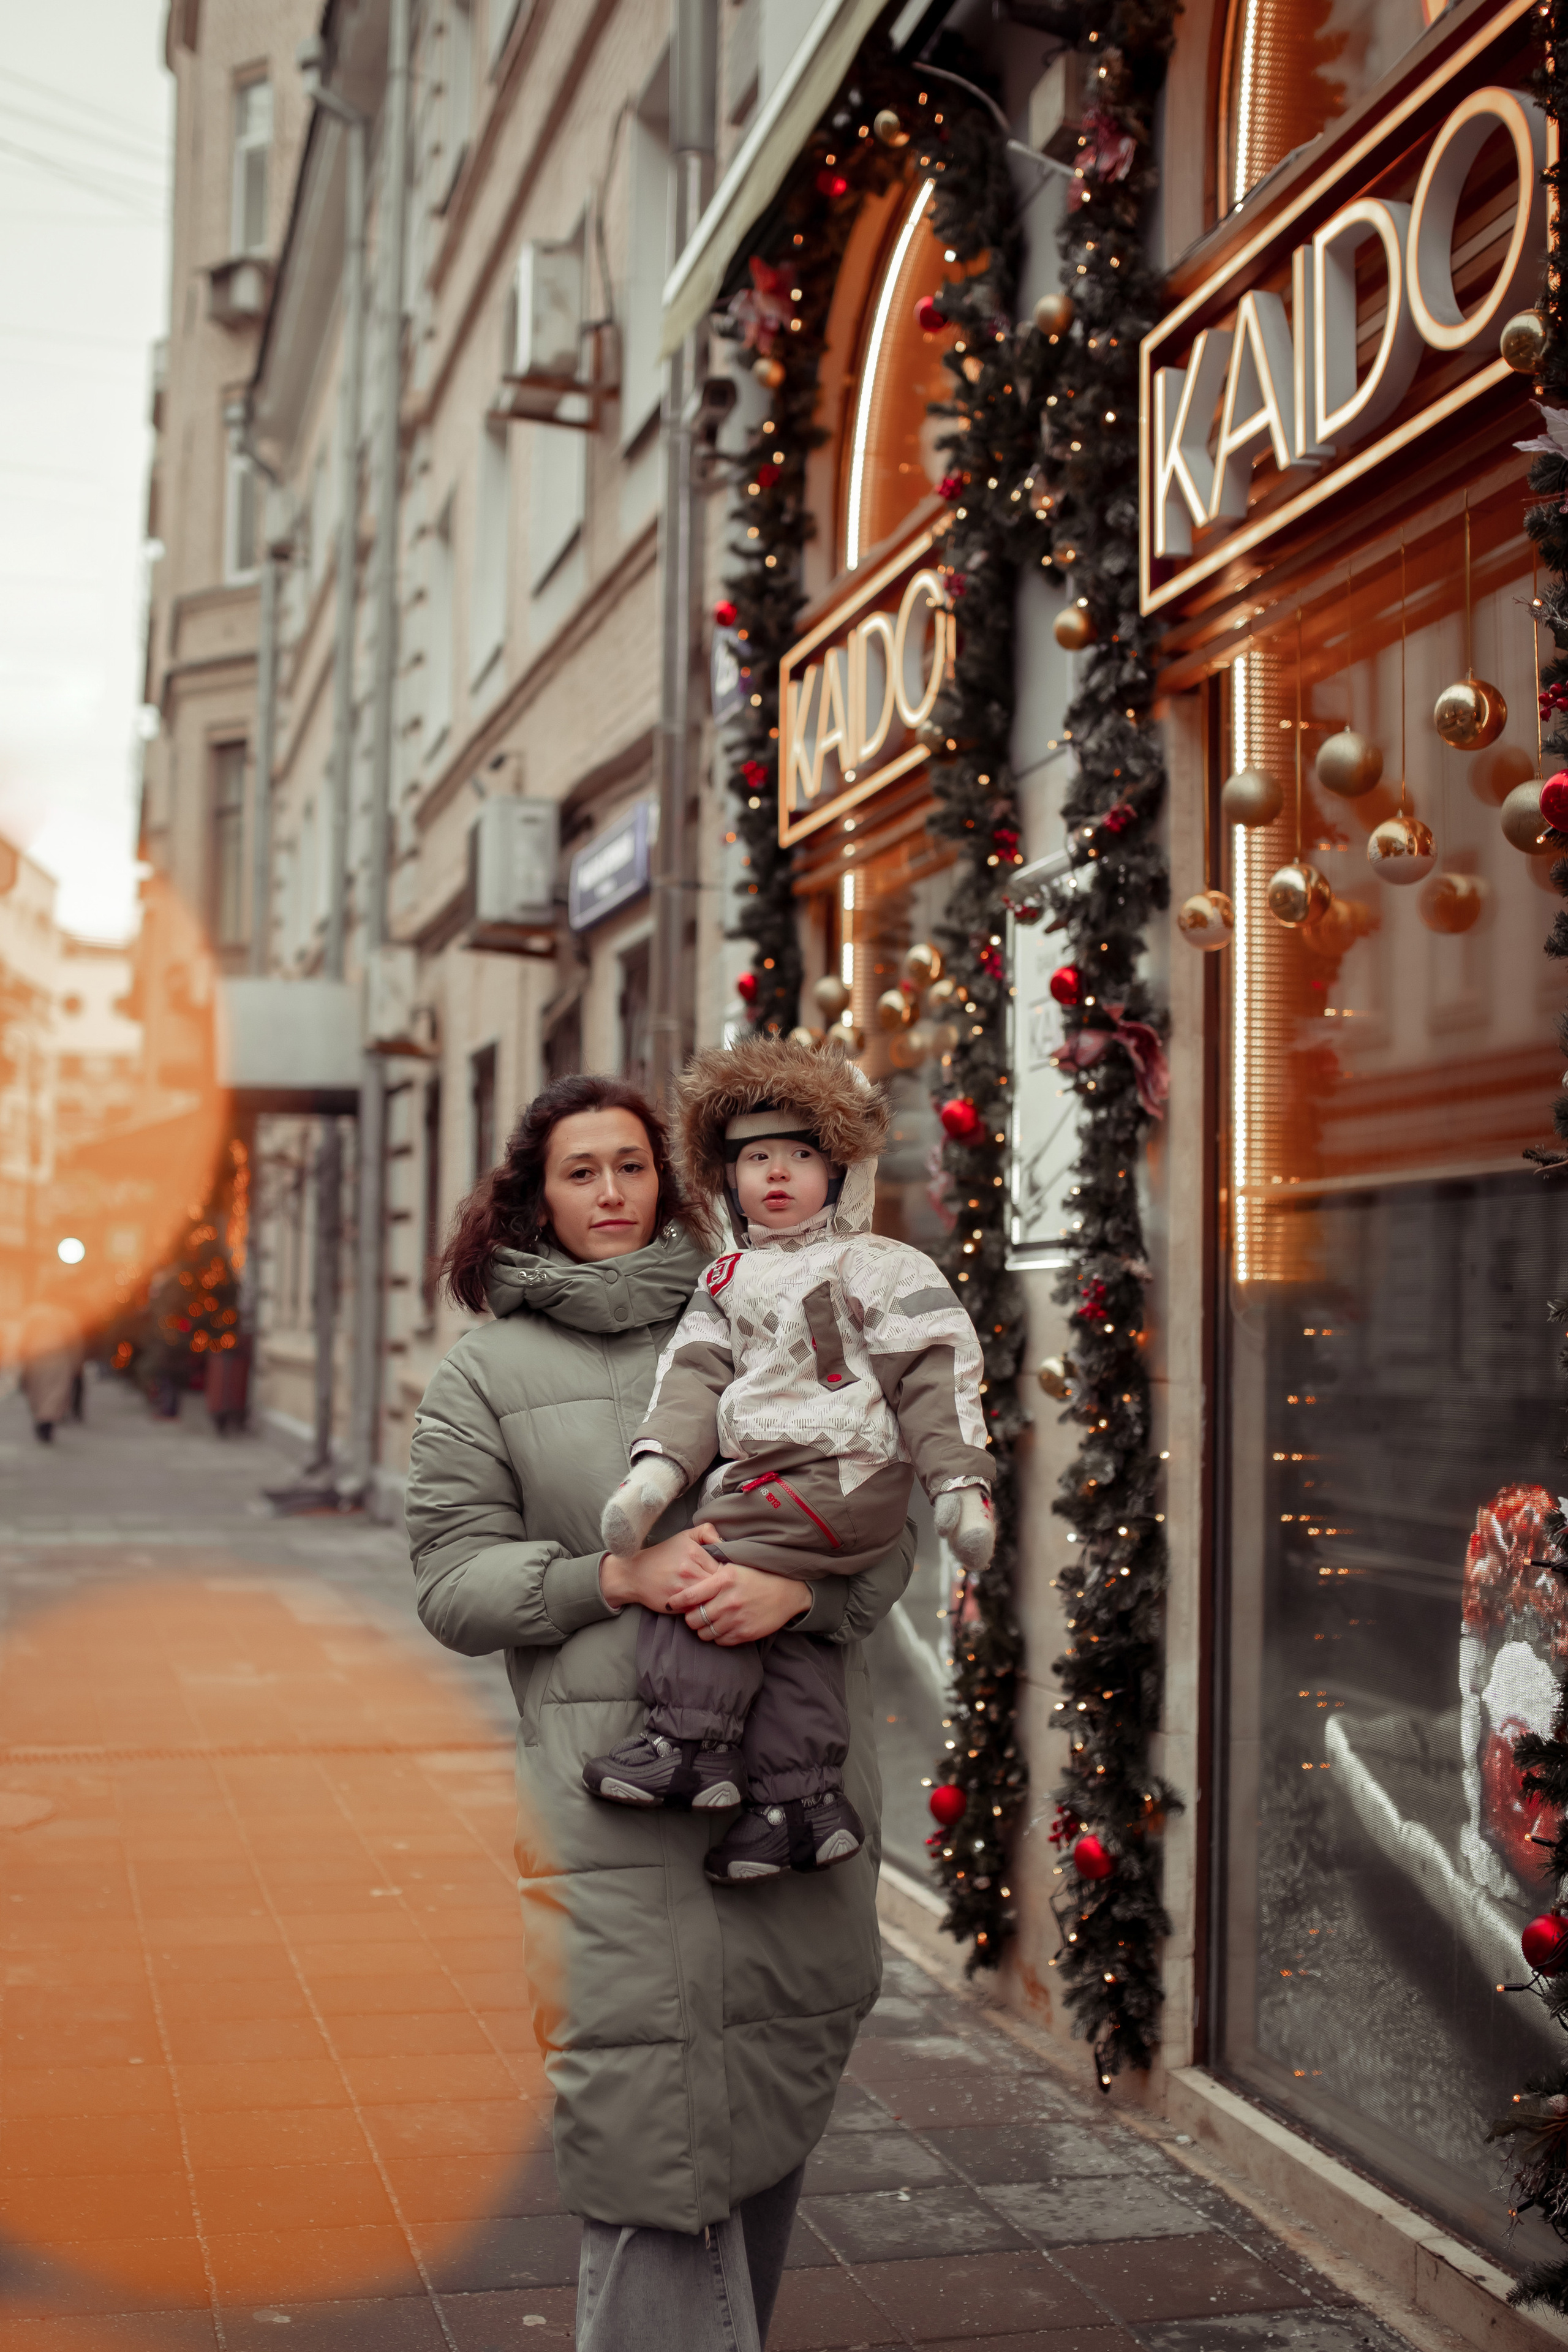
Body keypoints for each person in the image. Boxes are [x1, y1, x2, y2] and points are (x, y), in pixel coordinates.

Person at [404, 1071, 916, 2352]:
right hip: (613, 1810)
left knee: (766, 2098)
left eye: (630, 1167)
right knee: (646, 2133)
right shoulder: (483, 1373)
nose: (611, 1195)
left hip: (792, 1795)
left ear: (669, 1181)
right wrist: (607, 1574)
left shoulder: (775, 1312)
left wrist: (794, 1597)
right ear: (535, 1195)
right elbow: (451, 1582)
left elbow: (884, 1515)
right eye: (580, 1172)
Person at [584, 1036, 993, 1887]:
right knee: (779, 1633)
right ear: (726, 1177)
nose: (776, 1175)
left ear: (839, 1172)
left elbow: (934, 1367)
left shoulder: (875, 1264)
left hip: (839, 1471)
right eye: (756, 1158)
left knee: (702, 1563)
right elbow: (693, 1380)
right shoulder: (726, 1279)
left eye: (801, 1157)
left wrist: (958, 1484)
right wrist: (656, 1472)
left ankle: (692, 1746)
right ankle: (799, 1807)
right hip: (785, 1484)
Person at [18, 1294, 84, 1444]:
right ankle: (46, 1421)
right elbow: (75, 1341)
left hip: (36, 1355)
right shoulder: (67, 1315)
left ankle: (42, 1419)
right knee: (55, 1392)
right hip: (59, 1357)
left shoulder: (33, 1312)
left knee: (39, 1391)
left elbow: (24, 1337)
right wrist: (76, 1363)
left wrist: (23, 1356)